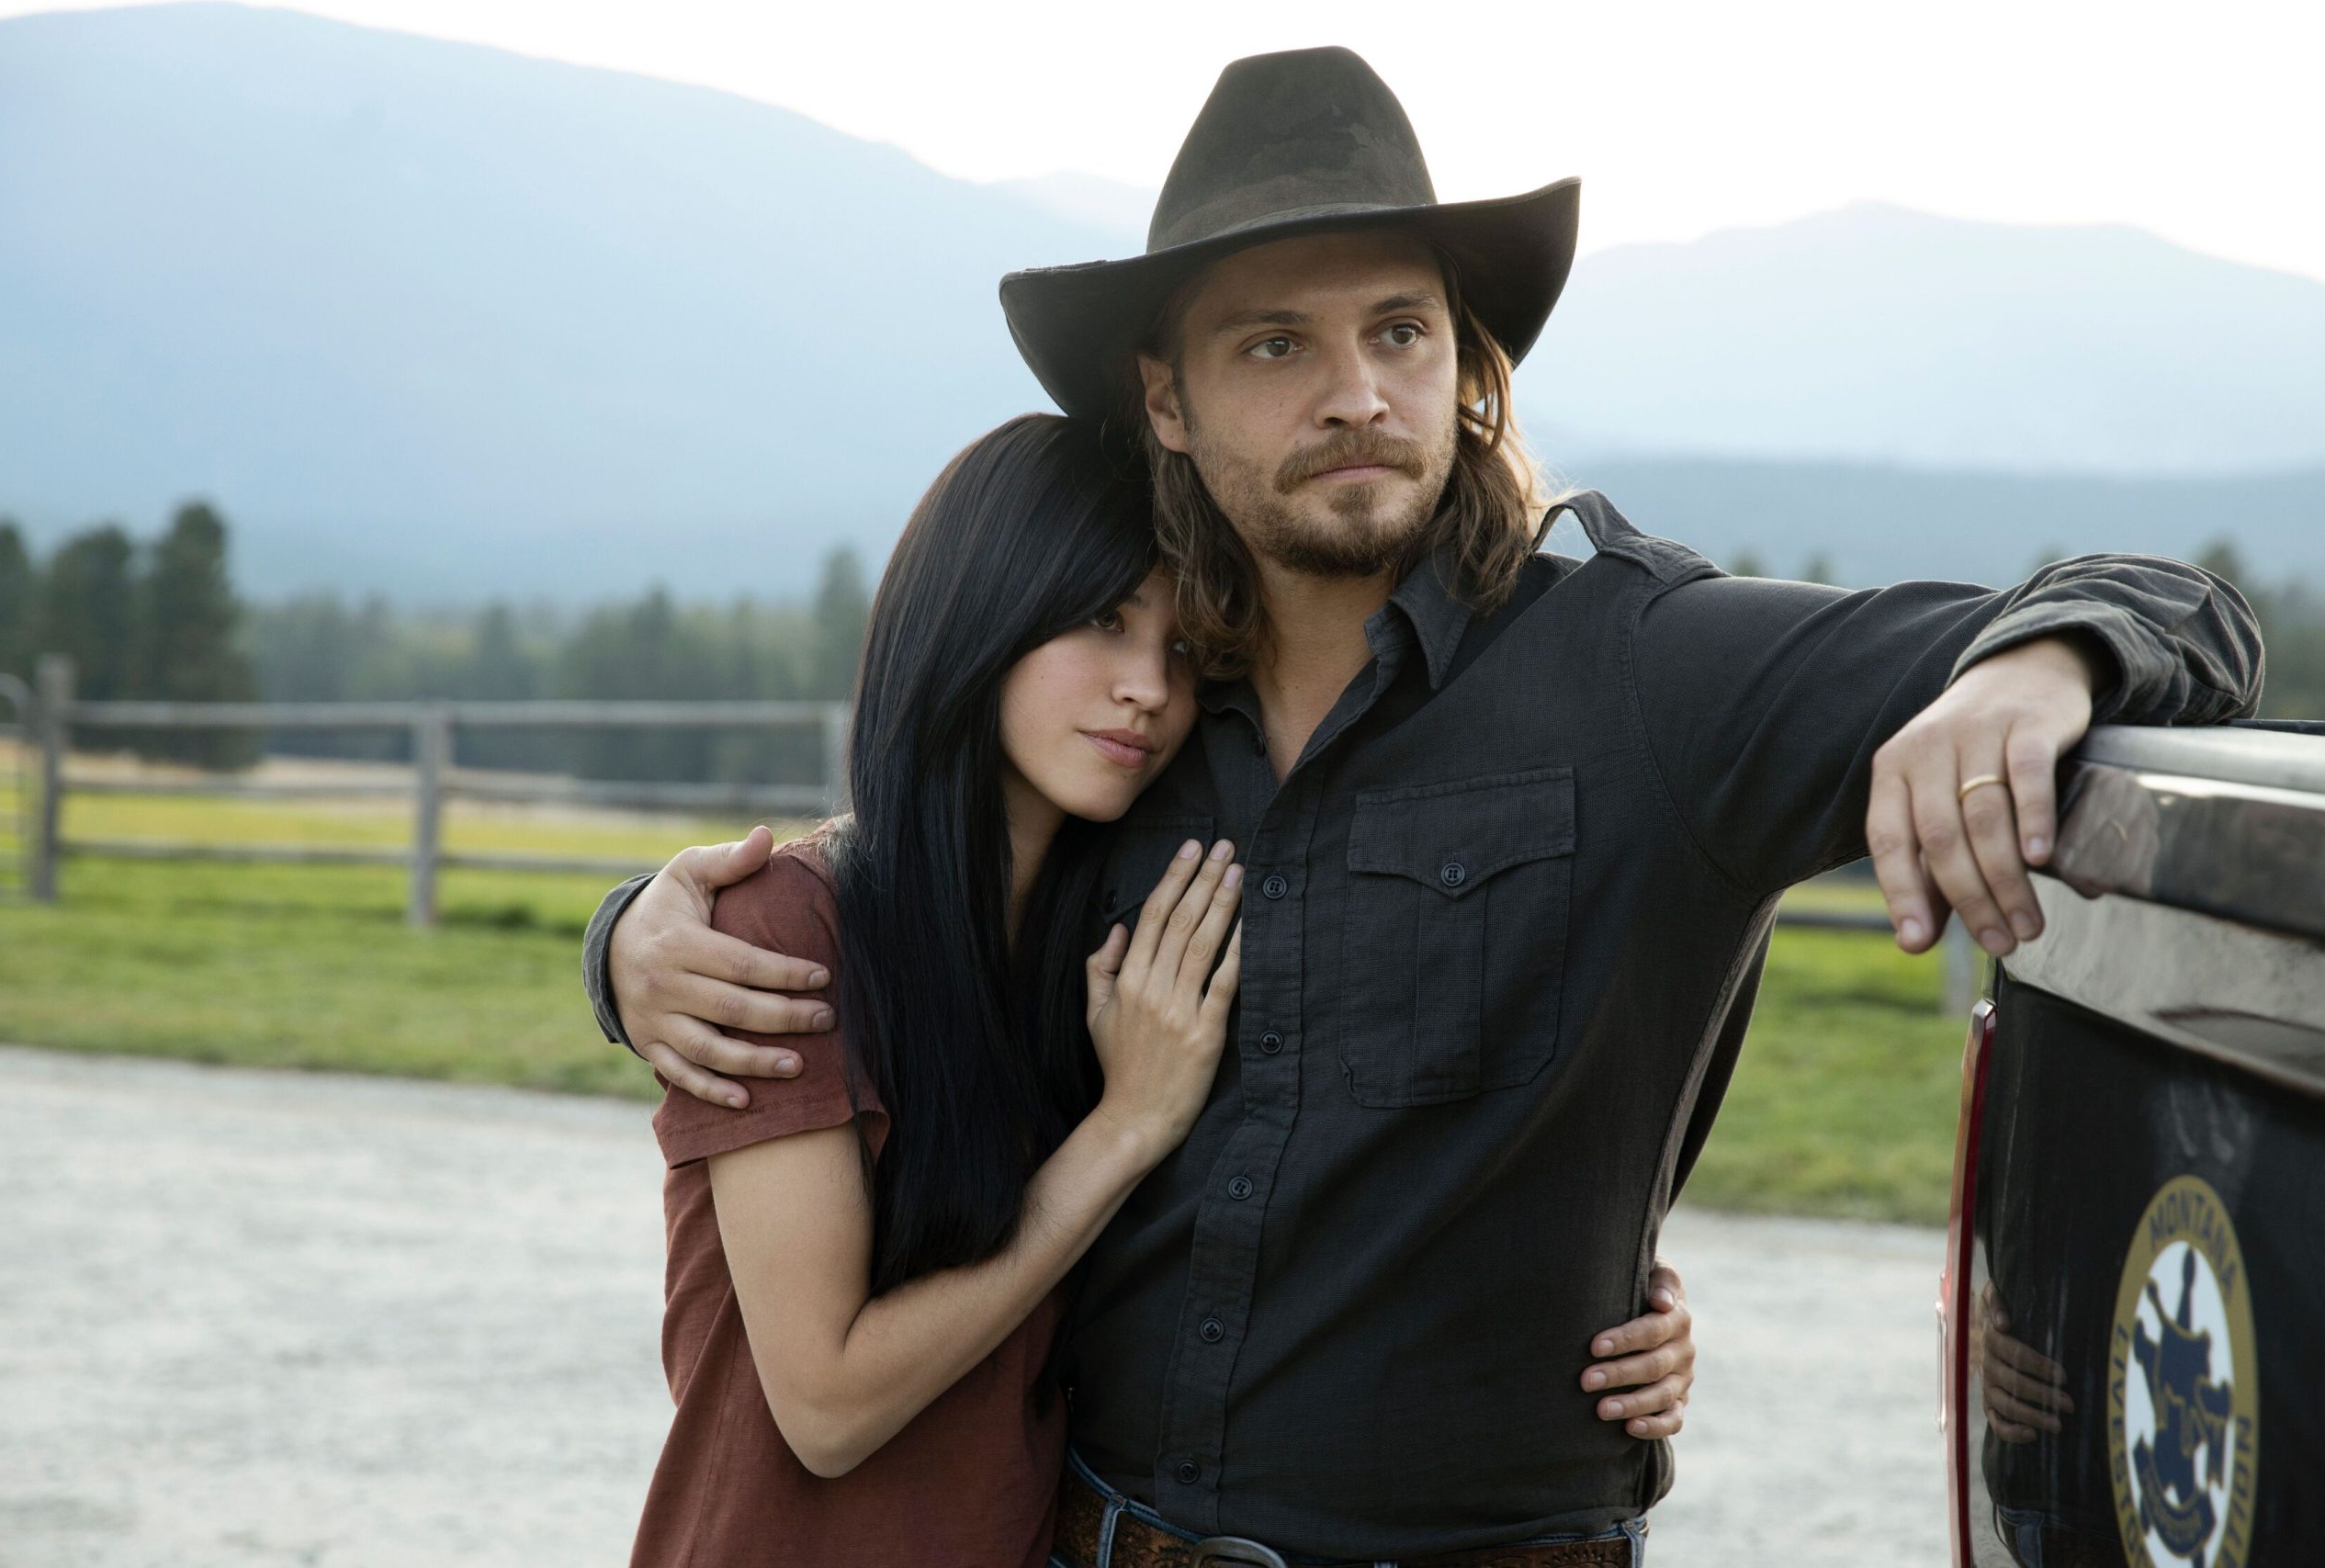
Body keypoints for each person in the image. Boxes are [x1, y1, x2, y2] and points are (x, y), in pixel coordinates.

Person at [594, 49, 2263, 1568]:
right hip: (1097, 1541)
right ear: (1165, 402)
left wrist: (2023, 673)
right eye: (1274, 344)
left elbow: (2172, 602)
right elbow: (904, 908)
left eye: (1400, 331)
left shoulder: (1649, 668)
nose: (1355, 392)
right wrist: (634, 937)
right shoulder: (1138, 729)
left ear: (1464, 366)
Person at [627, 413, 1696, 1568]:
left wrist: (1609, 1311)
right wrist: (1126, 1126)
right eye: (1101, 621)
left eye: (1185, 649)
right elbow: (826, 1406)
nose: (1147, 688)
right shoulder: (787, 933)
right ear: (974, 614)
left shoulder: (1115, 944)